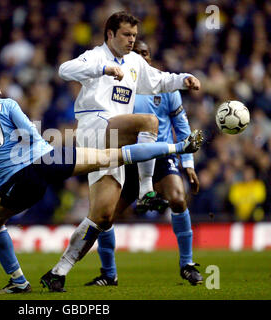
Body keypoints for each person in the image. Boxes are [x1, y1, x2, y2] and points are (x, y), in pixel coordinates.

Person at [0, 69, 203, 294]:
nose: (0, 88)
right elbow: (30, 135)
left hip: (19, 180)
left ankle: (18, 281)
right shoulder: (8, 104)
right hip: (47, 160)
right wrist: (53, 159)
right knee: (109, 157)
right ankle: (178, 146)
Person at [40, 11, 201, 292]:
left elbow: (159, 81)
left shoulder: (135, 62)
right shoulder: (96, 56)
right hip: (95, 128)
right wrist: (102, 70)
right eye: (126, 35)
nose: (131, 40)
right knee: (149, 122)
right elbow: (64, 70)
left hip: (114, 142)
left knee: (102, 216)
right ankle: (146, 190)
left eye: (134, 36)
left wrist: (183, 79)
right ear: (110, 34)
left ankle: (57, 271)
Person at [85, 41, 203, 288]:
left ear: (150, 58)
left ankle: (187, 264)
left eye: (145, 53)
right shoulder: (115, 85)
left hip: (159, 155)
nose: (141, 57)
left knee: (178, 198)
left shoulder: (165, 86)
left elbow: (181, 126)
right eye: (136, 53)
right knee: (105, 216)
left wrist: (188, 162)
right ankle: (109, 274)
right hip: (125, 157)